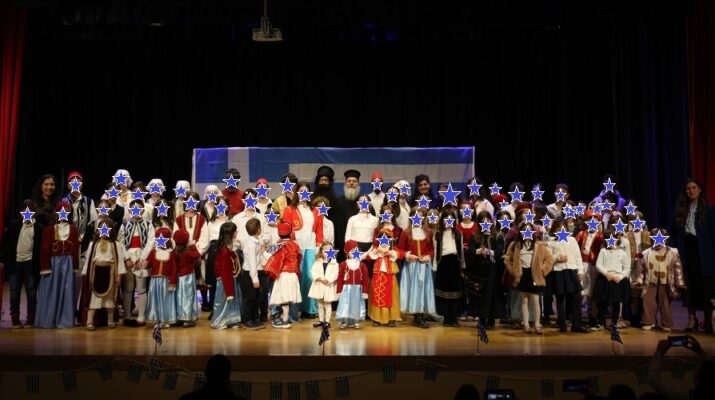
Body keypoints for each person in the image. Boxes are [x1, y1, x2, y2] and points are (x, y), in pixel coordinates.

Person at [670, 178, 715, 333]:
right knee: (689, 284)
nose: (691, 191)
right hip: (686, 251)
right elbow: (672, 232)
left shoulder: (709, 210)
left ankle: (708, 321)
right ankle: (692, 319)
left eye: (694, 187)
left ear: (700, 189)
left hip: (704, 252)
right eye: (688, 188)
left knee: (706, 286)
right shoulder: (680, 210)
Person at [0, 200, 44, 328]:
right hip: (16, 263)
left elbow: (41, 248)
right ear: (21, 212)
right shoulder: (14, 225)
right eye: (25, 211)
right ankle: (15, 317)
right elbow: (5, 244)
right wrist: (2, 260)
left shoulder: (39, 227)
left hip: (30, 264)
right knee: (14, 291)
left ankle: (31, 317)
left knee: (31, 291)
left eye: (31, 211)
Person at [648, 335, 714, 400]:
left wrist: (659, 353)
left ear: (699, 381)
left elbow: (655, 381)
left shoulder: (687, 397)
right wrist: (700, 351)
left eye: (696, 370)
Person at [333, 169, 362, 261]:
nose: (351, 183)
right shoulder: (338, 202)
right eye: (349, 181)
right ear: (345, 183)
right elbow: (335, 226)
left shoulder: (364, 203)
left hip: (360, 246)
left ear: (358, 183)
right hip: (341, 246)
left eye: (354, 181)